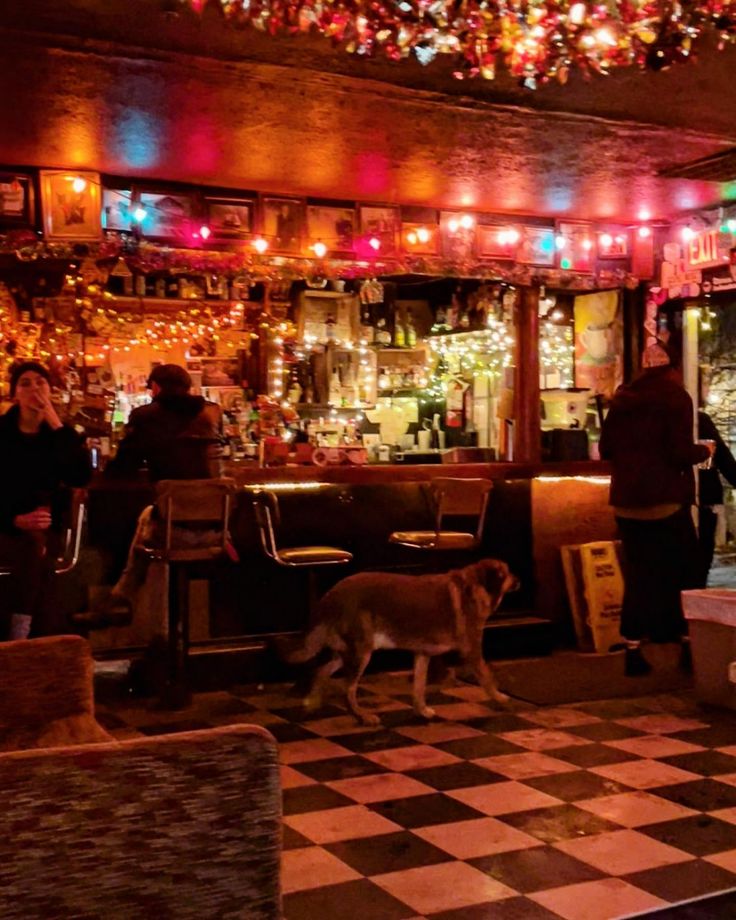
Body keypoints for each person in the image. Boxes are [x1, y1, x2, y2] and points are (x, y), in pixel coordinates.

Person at [76, 364, 224, 627]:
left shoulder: (146, 416)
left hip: (170, 530)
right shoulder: (210, 413)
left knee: (146, 520)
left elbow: (124, 466)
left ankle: (123, 602)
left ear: (155, 387)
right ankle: (153, 621)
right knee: (150, 520)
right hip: (217, 530)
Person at [599, 342, 710, 676]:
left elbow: (605, 449)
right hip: (664, 502)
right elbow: (678, 453)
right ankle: (688, 647)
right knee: (686, 574)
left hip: (626, 505)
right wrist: (702, 451)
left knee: (640, 576)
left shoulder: (622, 399)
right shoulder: (677, 398)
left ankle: (633, 649)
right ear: (672, 368)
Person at [0, 361, 92, 640]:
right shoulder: (1, 434)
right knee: (35, 551)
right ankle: (26, 637)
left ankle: (21, 640)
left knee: (36, 547)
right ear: (15, 393)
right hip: (5, 525)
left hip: (45, 529)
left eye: (40, 382)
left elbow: (80, 476)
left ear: (50, 390)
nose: (33, 389)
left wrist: (55, 422)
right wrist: (14, 519)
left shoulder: (59, 436)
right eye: (25, 383)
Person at [697, 408, 736, 587]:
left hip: (687, 498)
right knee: (701, 556)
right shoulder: (699, 421)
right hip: (704, 499)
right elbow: (724, 459)